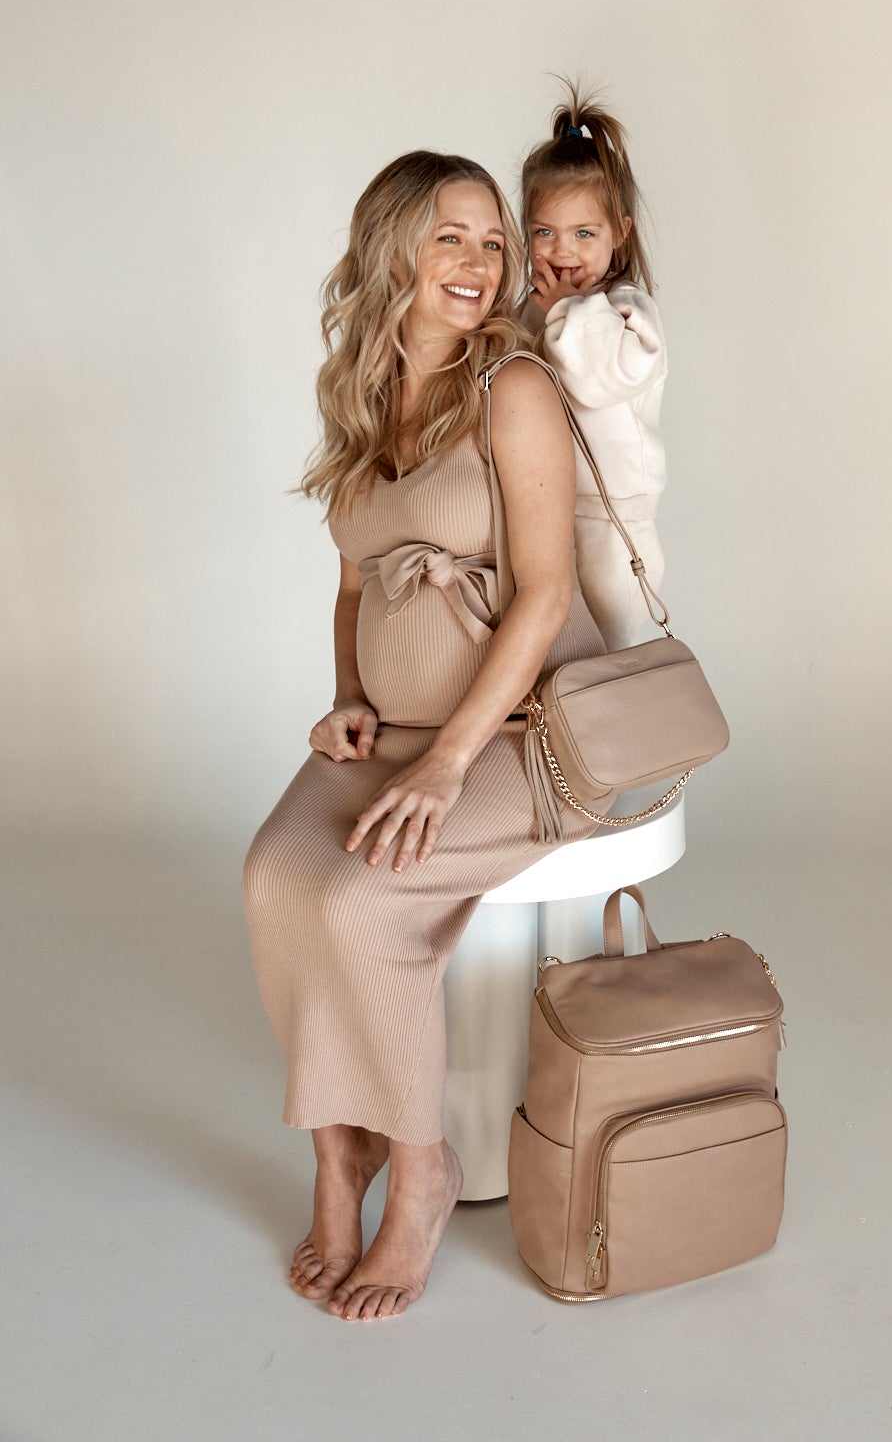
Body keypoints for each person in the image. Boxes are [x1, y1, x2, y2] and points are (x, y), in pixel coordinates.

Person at [242, 149, 611, 1322]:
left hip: (518, 734)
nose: (478, 261)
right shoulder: (355, 390)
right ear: (390, 249)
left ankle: (421, 1169)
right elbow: (353, 581)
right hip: (392, 728)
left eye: (492, 241)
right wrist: (349, 692)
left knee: (363, 899)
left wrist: (452, 761)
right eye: (451, 236)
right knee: (273, 878)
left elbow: (545, 593)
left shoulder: (513, 388)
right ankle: (335, 1147)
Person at [520, 85, 668, 652]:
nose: (564, 251)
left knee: (608, 668)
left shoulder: (628, 311)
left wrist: (559, 311)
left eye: (585, 234)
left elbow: (598, 378)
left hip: (613, 524)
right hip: (543, 519)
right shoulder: (538, 309)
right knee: (551, 660)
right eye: (544, 232)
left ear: (619, 234)